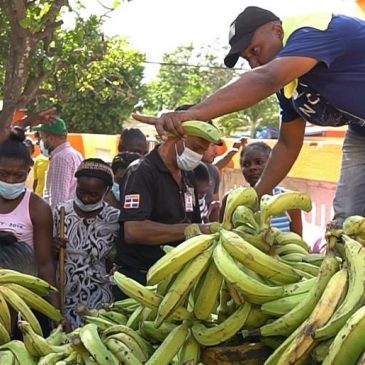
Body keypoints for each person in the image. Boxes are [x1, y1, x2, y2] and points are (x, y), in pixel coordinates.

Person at [132, 6, 365, 226]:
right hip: (361, 131)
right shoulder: (290, 85)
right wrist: (254, 198)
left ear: (277, 30)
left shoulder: (316, 30)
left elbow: (266, 78)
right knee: (346, 220)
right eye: (248, 59)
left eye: (255, 51)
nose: (255, 64)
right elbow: (287, 144)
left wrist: (193, 113)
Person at [115, 121, 222, 286]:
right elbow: (134, 231)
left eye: (202, 150)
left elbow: (194, 223)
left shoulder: (188, 175)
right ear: (175, 138)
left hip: (175, 276)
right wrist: (189, 230)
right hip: (140, 278)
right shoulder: (141, 172)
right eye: (195, 148)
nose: (198, 155)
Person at [52, 158, 120, 329]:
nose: (86, 198)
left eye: (94, 194)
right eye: (81, 192)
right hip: (64, 296)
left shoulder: (115, 219)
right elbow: (45, 257)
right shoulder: (60, 212)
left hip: (99, 297)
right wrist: (52, 247)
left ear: (106, 190)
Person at [0, 130, 57, 303]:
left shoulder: (38, 208)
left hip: (21, 294)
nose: (10, 181)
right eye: (3, 174)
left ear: (28, 171)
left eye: (19, 176)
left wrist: (56, 311)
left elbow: (44, 263)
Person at [240, 142, 302, 235]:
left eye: (258, 162)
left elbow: (298, 242)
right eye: (246, 164)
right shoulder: (236, 202)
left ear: (271, 164)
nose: (252, 167)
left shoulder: (290, 202)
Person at [34, 117, 83, 209]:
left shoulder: (60, 158)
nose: (41, 142)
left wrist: (55, 221)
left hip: (60, 218)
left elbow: (58, 200)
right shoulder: (76, 154)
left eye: (42, 138)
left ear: (51, 138)